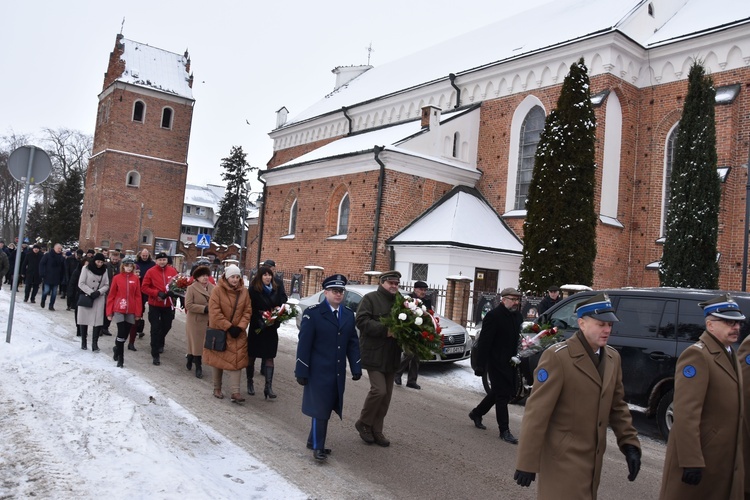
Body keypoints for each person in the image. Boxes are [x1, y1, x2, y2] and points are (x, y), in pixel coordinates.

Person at [515, 293, 641, 498]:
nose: (607, 330)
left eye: (610, 325)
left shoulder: (612, 357)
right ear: (582, 323)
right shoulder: (558, 357)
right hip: (562, 460)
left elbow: (617, 406)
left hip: (593, 461)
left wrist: (629, 444)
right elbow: (537, 413)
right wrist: (527, 462)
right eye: (601, 324)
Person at [660, 294, 745, 499]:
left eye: (737, 322)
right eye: (728, 322)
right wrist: (691, 460)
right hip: (703, 459)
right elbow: (686, 414)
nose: (735, 327)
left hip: (724, 458)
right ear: (710, 324)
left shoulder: (730, 353)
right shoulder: (698, 356)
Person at [295, 274, 362, 461]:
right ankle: (318, 447)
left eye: (341, 291)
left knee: (326, 407)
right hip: (317, 371)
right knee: (320, 408)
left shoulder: (348, 314)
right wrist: (301, 370)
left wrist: (356, 366)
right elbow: (304, 345)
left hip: (337, 372)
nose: (338, 294)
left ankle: (313, 440)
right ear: (326, 292)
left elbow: (352, 343)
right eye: (334, 291)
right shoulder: (313, 313)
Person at [469, 287, 524, 444]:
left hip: (512, 361)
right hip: (495, 362)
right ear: (503, 299)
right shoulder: (493, 316)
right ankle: (504, 430)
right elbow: (485, 342)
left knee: (498, 392)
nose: (516, 303)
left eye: (517, 300)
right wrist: (480, 365)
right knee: (502, 396)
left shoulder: (517, 316)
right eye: (513, 299)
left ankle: (477, 413)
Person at [354, 270, 403, 447]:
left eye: (396, 284)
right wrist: (385, 330)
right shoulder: (370, 299)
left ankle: (377, 430)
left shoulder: (401, 302)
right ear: (382, 282)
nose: (394, 286)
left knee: (386, 396)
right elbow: (361, 321)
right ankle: (364, 423)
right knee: (379, 391)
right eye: (391, 283)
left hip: (392, 355)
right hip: (374, 353)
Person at [204, 264, 251, 403]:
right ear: (227, 277)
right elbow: (214, 312)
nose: (235, 279)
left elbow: (247, 311)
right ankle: (216, 388)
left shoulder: (244, 292)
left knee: (237, 361)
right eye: (232, 277)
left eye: (237, 277)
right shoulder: (217, 291)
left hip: (238, 333)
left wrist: (240, 327)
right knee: (218, 360)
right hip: (220, 331)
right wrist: (229, 327)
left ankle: (235, 392)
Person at [247, 265, 288, 398]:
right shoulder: (253, 289)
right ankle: (250, 382)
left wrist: (277, 316)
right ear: (260, 276)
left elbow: (281, 303)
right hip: (257, 328)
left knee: (270, 356)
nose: (268, 277)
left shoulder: (276, 288)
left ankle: (268, 387)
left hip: (271, 328)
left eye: (269, 275)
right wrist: (259, 319)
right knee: (252, 355)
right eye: (265, 275)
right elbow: (249, 308)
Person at [141, 252, 178, 365]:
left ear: (167, 261)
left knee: (167, 325)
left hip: (168, 305)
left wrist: (174, 293)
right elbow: (144, 287)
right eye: (160, 259)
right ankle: (155, 352)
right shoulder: (151, 271)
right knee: (155, 328)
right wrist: (157, 293)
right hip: (155, 304)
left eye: (164, 259)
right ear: (156, 261)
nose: (162, 261)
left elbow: (178, 285)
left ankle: (159, 341)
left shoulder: (172, 271)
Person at [105, 255, 142, 367]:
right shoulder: (117, 278)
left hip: (130, 310)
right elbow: (111, 295)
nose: (129, 268)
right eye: (127, 266)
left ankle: (117, 348)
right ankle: (121, 359)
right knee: (121, 332)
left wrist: (138, 313)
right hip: (119, 308)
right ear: (123, 266)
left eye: (131, 266)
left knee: (125, 334)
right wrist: (109, 312)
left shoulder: (135, 279)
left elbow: (138, 296)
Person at [395, 281, 432, 390]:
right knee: (409, 354)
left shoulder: (427, 301)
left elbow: (429, 315)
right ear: (415, 289)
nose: (423, 292)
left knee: (416, 356)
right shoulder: (408, 299)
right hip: (408, 330)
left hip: (420, 331)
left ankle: (412, 381)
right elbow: (403, 313)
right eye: (421, 290)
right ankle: (397, 374)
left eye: (425, 290)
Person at [184, 265, 214, 379]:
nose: (205, 278)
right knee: (196, 344)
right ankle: (198, 367)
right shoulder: (192, 288)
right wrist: (204, 308)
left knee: (201, 344)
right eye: (202, 276)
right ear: (197, 277)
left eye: (207, 275)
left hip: (208, 321)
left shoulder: (213, 288)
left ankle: (190, 357)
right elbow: (188, 305)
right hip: (195, 321)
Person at [76, 253, 110, 351]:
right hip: (87, 296)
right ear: (94, 261)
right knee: (84, 319)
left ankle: (95, 344)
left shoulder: (104, 270)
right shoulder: (86, 268)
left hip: (98, 298)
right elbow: (81, 283)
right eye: (98, 261)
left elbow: (107, 285)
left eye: (101, 262)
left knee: (97, 321)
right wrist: (91, 292)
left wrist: (99, 292)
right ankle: (84, 341)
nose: (99, 264)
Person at [39, 243, 66, 310]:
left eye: (60, 249)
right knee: (46, 291)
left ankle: (51, 306)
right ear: (54, 248)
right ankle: (43, 300)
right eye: (58, 248)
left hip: (57, 277)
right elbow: (42, 264)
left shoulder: (61, 257)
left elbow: (63, 268)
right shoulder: (48, 255)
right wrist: (42, 273)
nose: (60, 250)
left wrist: (62, 277)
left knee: (54, 293)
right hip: (48, 276)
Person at [135, 248, 156, 339]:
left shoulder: (152, 264)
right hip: (138, 288)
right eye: (143, 255)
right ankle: (138, 328)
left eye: (146, 255)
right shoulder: (136, 264)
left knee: (152, 308)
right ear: (140, 255)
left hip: (149, 288)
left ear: (149, 255)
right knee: (140, 308)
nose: (144, 257)